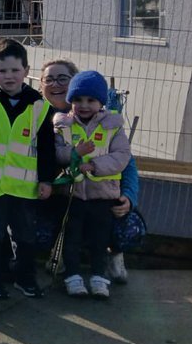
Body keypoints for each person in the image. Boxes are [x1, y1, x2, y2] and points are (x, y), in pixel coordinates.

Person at [0, 39, 56, 300]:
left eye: (15, 70)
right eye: (2, 71)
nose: (9, 76)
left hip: (25, 189)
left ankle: (24, 277)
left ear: (26, 70)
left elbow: (47, 148)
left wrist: (47, 180)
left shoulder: (40, 107)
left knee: (26, 238)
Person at [39, 59, 140, 283]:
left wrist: (129, 196)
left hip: (99, 193)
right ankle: (59, 255)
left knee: (125, 226)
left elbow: (127, 163)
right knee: (43, 226)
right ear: (41, 84)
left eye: (62, 78)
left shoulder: (105, 122)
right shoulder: (40, 116)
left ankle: (113, 254)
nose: (55, 84)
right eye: (49, 79)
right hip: (58, 195)